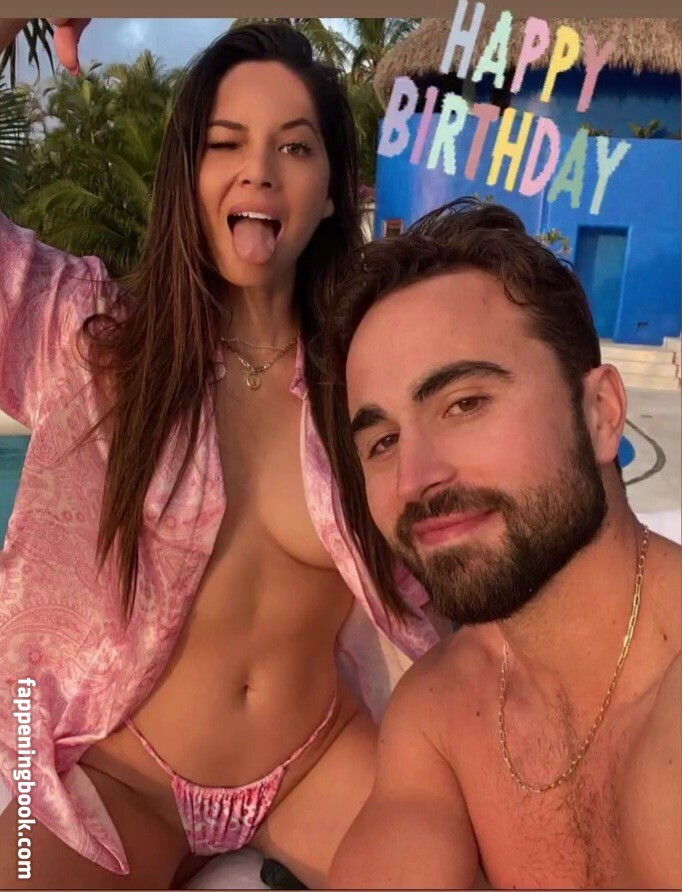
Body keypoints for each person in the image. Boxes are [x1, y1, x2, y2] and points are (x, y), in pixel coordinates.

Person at [0, 19, 447, 890]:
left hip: (317, 765)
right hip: (123, 778)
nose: (259, 171)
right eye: (226, 143)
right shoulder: (93, 343)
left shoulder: (370, 375)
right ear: (189, 176)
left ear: (331, 192)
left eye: (295, 147)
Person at [322, 198, 681, 889]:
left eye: (464, 404)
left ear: (601, 413)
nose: (416, 479)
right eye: (383, 441)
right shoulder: (439, 715)